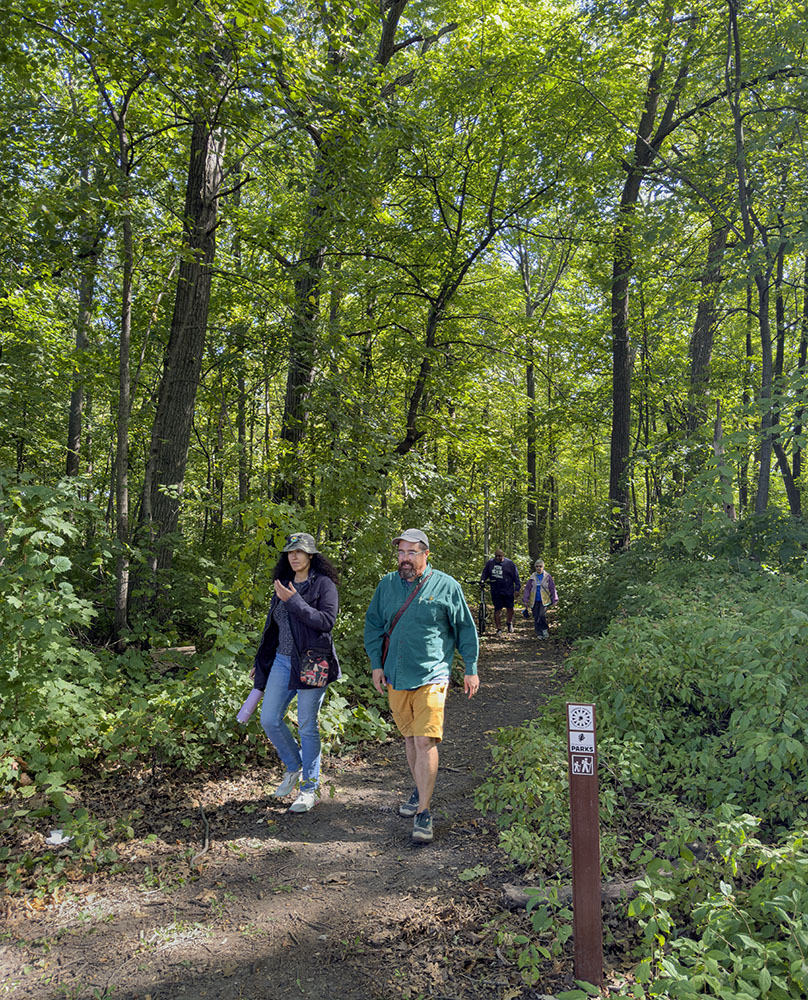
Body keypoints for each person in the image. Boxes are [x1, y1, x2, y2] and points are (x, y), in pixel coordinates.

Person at [364, 529, 479, 844]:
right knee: (412, 739)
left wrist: (471, 668)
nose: (405, 559)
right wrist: (376, 664)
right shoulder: (386, 586)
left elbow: (465, 628)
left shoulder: (446, 586)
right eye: (401, 552)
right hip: (396, 675)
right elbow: (373, 625)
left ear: (426, 554)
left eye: (412, 552)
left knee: (425, 741)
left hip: (433, 674)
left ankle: (424, 812)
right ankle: (420, 787)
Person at [251, 532, 340, 813]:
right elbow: (274, 628)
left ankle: (309, 788)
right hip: (281, 661)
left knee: (306, 725)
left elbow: (326, 621)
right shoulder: (283, 584)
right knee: (269, 719)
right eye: (290, 552)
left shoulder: (323, 585)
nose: (294, 556)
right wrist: (261, 661)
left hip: (312, 662)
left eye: (300, 551)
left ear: (311, 555)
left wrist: (295, 602)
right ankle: (294, 766)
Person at [480, 548, 522, 634]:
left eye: (500, 556)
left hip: (508, 590)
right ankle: (499, 628)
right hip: (496, 590)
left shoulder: (510, 564)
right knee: (497, 609)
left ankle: (509, 622)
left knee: (510, 608)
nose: (498, 558)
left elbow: (516, 577)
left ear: (503, 555)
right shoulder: (490, 563)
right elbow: (485, 573)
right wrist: (482, 580)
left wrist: (517, 589)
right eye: (496, 556)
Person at [522, 558, 558, 639]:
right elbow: (528, 588)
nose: (539, 568)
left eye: (540, 566)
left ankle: (544, 630)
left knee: (541, 615)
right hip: (534, 600)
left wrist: (555, 598)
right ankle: (539, 633)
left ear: (543, 567)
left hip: (544, 600)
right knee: (536, 616)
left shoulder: (547, 576)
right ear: (535, 567)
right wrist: (525, 599)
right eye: (537, 566)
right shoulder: (532, 577)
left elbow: (552, 588)